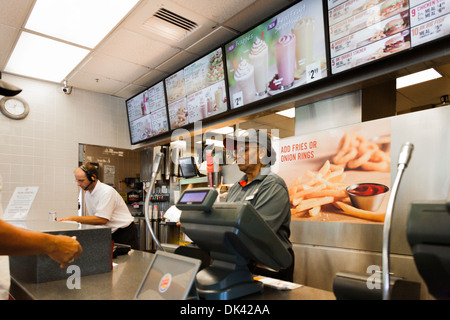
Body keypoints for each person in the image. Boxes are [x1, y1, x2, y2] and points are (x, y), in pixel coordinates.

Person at [224, 129, 295, 282]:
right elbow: (225, 220)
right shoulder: (236, 187)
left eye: (245, 150)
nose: (237, 155)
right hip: (241, 262)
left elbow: (259, 231)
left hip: (269, 266)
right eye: (236, 151)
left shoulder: (273, 185)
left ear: (262, 152)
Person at [60, 163, 138, 249]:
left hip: (124, 232)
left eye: (81, 180)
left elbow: (102, 219)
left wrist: (73, 219)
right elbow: (95, 218)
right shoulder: (88, 194)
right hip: (109, 232)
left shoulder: (106, 192)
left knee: (127, 261)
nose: (78, 184)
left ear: (93, 177)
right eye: (77, 181)